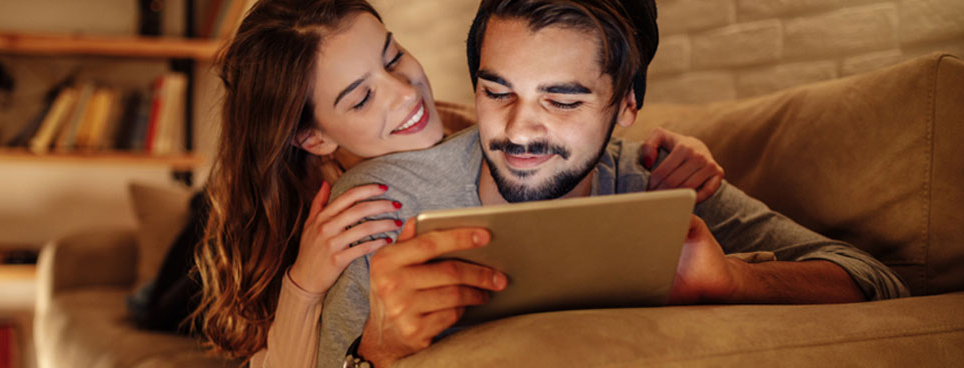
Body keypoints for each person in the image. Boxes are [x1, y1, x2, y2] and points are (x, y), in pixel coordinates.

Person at [317, 0, 912, 367]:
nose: (520, 129)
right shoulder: (384, 200)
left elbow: (877, 281)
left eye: (563, 99)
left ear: (626, 106)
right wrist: (377, 348)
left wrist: (736, 280)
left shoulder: (654, 182)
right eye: (497, 91)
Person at [189, 0, 725, 367]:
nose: (403, 94)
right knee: (185, 277)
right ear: (314, 137)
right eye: (360, 97)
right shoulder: (342, 210)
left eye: (393, 56)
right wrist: (304, 283)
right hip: (250, 255)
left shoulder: (481, 130)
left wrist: (686, 148)